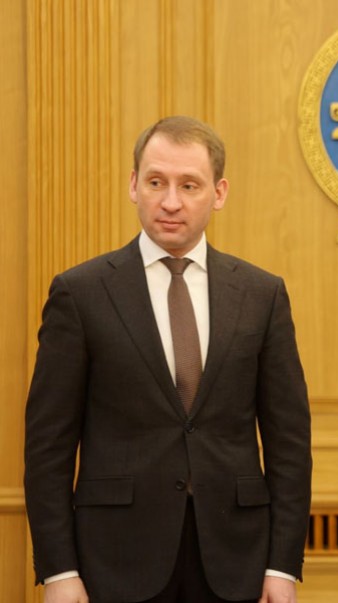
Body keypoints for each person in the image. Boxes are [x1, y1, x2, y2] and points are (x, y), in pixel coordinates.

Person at [24, 116, 312, 603]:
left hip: (235, 560)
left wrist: (282, 565)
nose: (171, 201)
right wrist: (59, 571)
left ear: (219, 193)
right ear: (133, 185)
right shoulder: (81, 293)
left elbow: (289, 442)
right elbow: (47, 446)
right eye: (156, 182)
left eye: (189, 185)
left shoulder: (261, 295)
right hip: (112, 561)